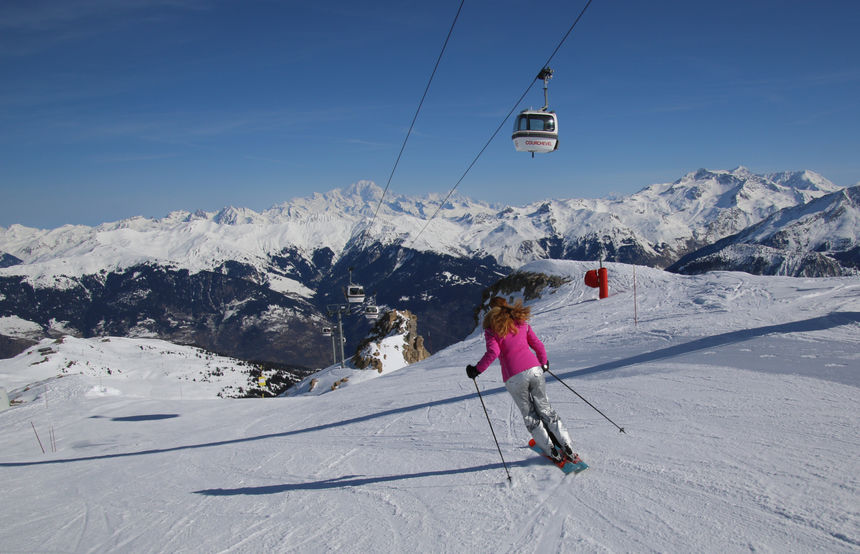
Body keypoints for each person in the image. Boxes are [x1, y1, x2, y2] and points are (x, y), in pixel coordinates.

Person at [466, 296, 576, 462]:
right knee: (546, 409)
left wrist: (476, 370)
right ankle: (566, 444)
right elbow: (538, 345)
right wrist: (543, 363)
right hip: (534, 370)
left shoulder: (491, 329)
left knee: (530, 415)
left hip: (514, 376)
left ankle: (550, 449)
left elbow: (493, 353)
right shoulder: (521, 322)